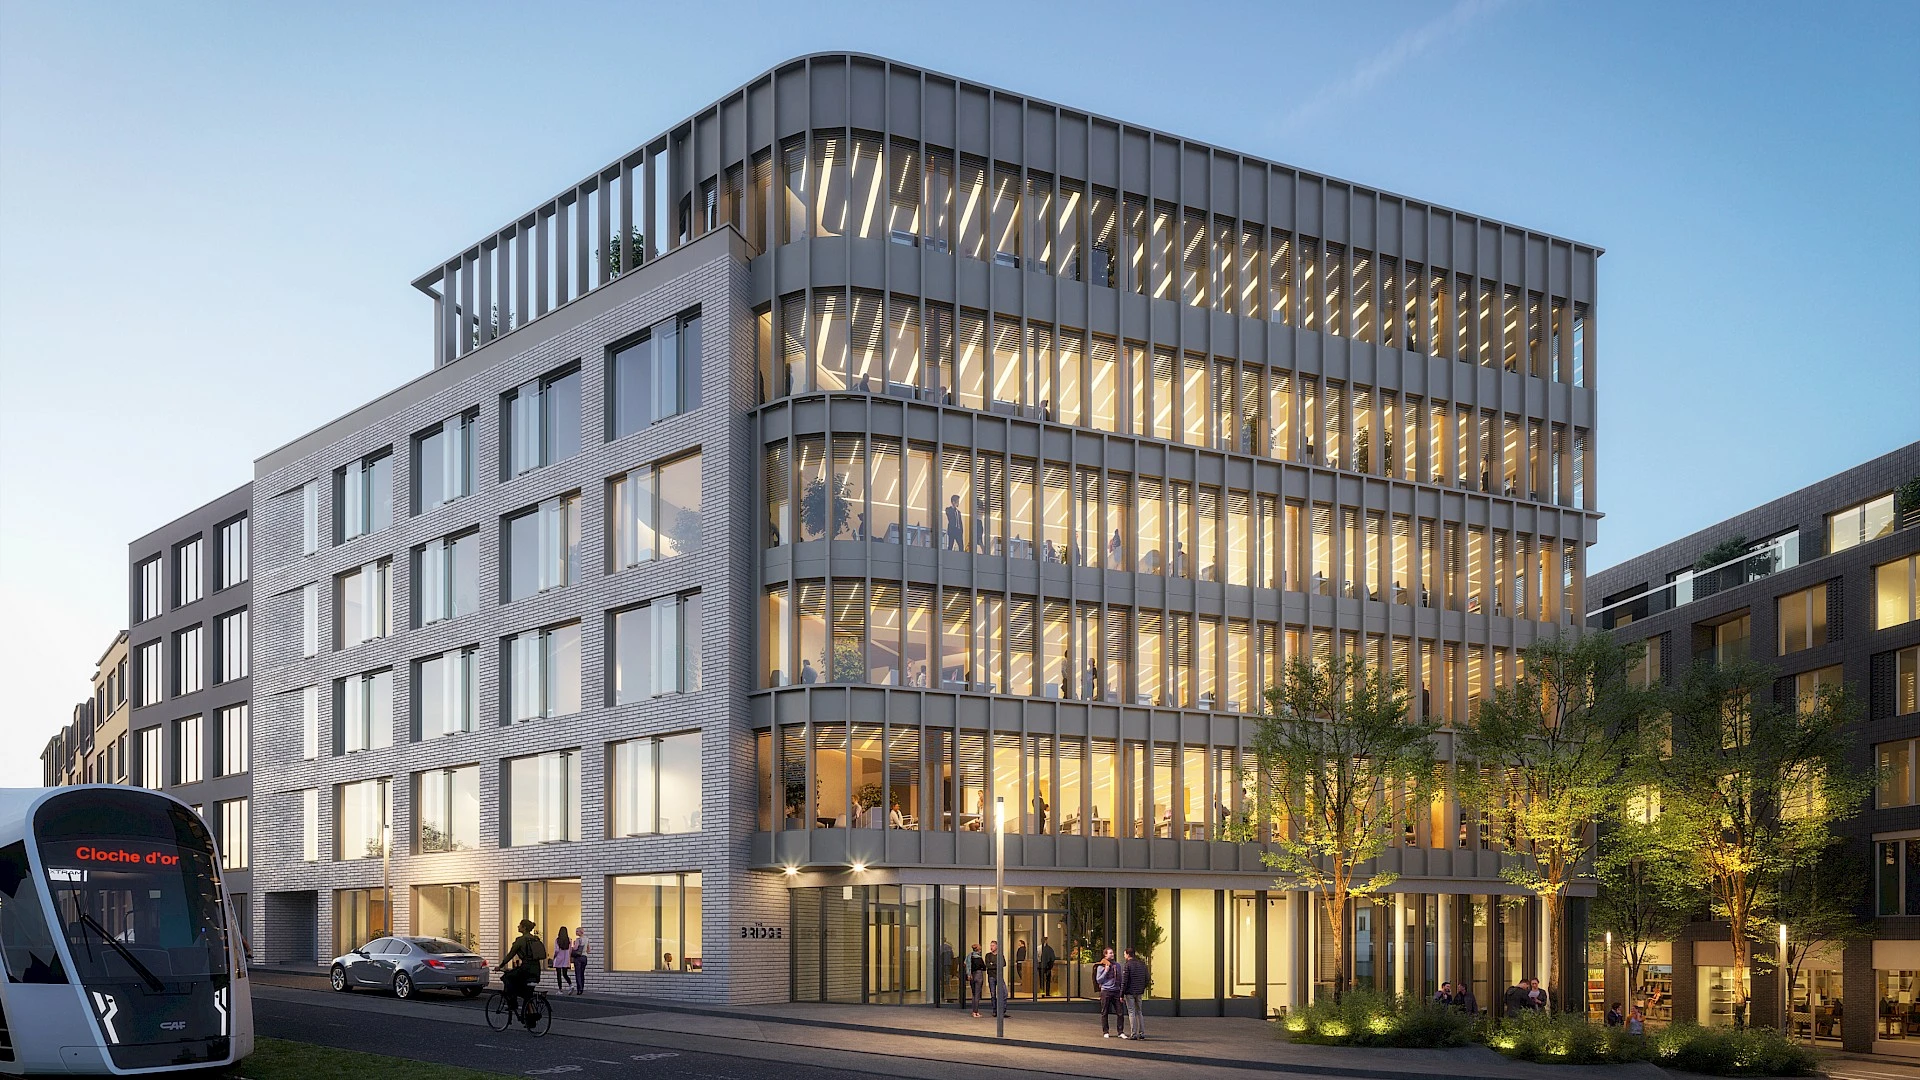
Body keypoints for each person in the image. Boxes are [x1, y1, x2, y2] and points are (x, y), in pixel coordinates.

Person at [496, 919, 545, 1022]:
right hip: (536, 970)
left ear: (524, 928)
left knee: (507, 977)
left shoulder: (521, 940)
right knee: (526, 992)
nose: (518, 927)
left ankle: (513, 1003)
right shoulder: (535, 939)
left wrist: (500, 966)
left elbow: (511, 954)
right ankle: (529, 1014)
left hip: (526, 969)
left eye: (520, 925)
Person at [1120, 946, 1150, 1040]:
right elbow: (1147, 978)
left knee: (1131, 1012)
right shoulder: (1142, 964)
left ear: (1128, 954)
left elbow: (1124, 981)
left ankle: (1133, 1033)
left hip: (1130, 992)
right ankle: (1142, 1033)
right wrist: (1142, 987)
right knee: (1139, 1012)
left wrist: (1121, 994)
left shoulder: (1128, 965)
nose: (1124, 956)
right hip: (1139, 991)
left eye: (1124, 954)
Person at [1094, 947, 1124, 1037]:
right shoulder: (1101, 966)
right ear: (1105, 955)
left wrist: (1121, 991)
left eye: (1112, 953)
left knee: (1120, 1012)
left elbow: (1120, 978)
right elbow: (1099, 980)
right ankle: (1105, 1031)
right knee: (1105, 1012)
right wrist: (1106, 971)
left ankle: (1120, 1031)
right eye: (1110, 953)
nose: (1112, 954)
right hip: (1106, 991)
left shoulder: (1117, 965)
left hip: (1116, 990)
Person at [986, 940, 1008, 1016]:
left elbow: (1003, 964)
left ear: (997, 946)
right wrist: (996, 965)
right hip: (991, 977)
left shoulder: (1000, 955)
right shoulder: (988, 955)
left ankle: (1002, 1010)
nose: (991, 947)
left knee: (1004, 993)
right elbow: (988, 966)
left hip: (999, 976)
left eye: (993, 945)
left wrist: (993, 964)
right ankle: (995, 1011)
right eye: (990, 945)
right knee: (993, 994)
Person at [569, 926, 590, 995]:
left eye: (577, 931)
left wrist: (572, 944)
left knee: (578, 973)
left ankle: (579, 989)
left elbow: (575, 948)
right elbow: (588, 950)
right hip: (584, 957)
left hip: (578, 958)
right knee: (582, 973)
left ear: (581, 932)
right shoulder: (587, 939)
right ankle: (582, 988)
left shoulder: (578, 940)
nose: (576, 932)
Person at [968, 944, 986, 1017]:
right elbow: (984, 967)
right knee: (977, 994)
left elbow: (966, 964)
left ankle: (973, 1011)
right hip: (978, 975)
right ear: (979, 950)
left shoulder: (969, 956)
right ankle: (976, 1011)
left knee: (973, 993)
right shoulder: (979, 958)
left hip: (971, 975)